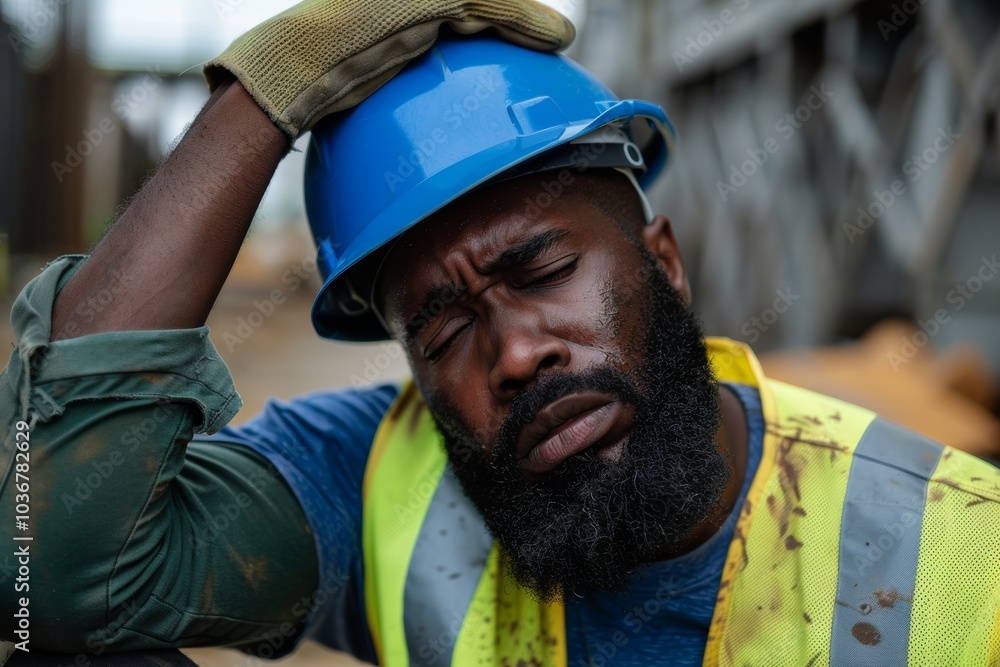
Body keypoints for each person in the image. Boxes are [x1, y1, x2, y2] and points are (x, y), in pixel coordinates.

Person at [2, 1, 999, 665]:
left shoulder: (961, 552)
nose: (516, 354)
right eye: (441, 334)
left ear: (663, 258)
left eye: (543, 271)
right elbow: (42, 565)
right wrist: (267, 91)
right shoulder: (376, 474)